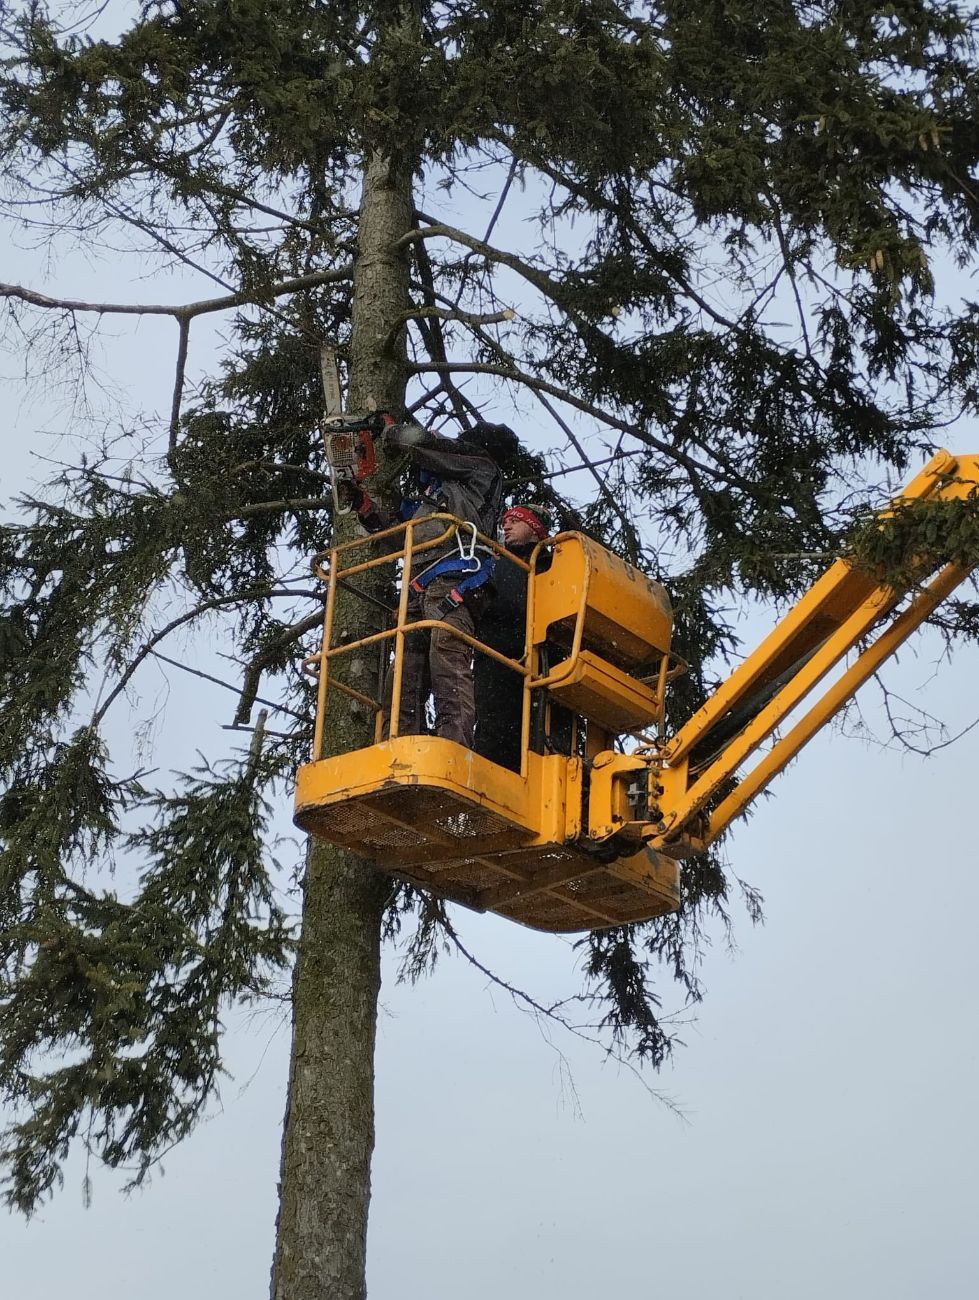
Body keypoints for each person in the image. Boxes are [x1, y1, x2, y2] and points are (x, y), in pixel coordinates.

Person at [345, 419, 519, 747]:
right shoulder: (438, 500)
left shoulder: (481, 466)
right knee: (404, 675)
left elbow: (427, 447)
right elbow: (402, 537)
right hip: (421, 586)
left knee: (447, 661)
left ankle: (452, 748)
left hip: (456, 579)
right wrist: (364, 507)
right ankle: (395, 744)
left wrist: (390, 429)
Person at [473, 502, 558, 770]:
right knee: (492, 734)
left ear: (535, 530)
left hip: (539, 663)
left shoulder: (550, 565)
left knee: (538, 735)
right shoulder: (497, 564)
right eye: (505, 521)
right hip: (496, 661)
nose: (505, 525)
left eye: (515, 521)